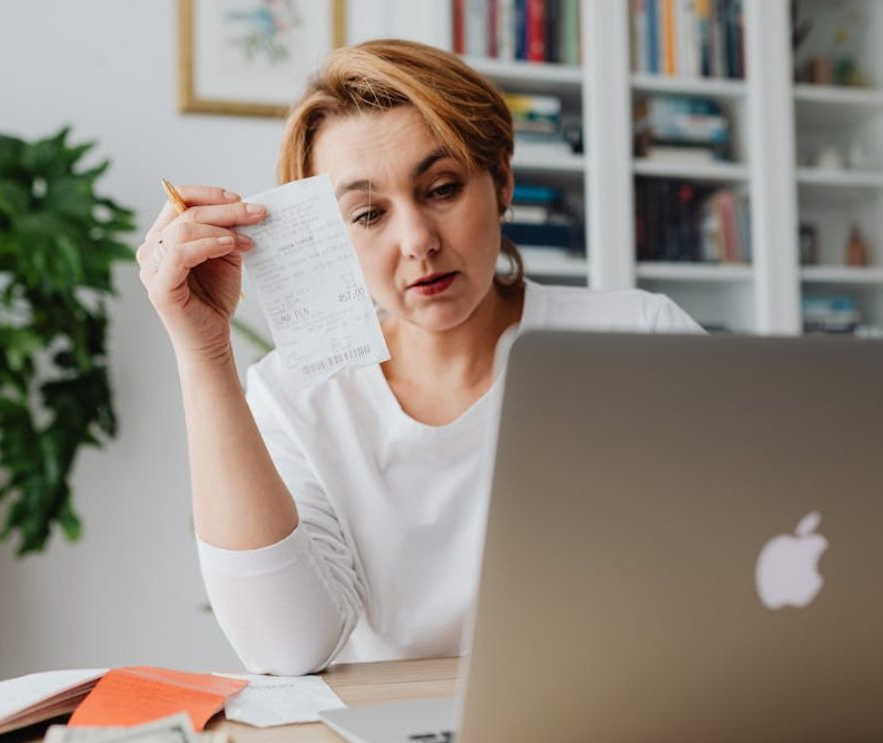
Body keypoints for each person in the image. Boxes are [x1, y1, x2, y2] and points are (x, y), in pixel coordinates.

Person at [136, 39, 704, 676]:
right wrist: (204, 352)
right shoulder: (297, 397)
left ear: (502, 181)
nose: (418, 242)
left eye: (441, 189)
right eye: (369, 213)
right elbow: (286, 648)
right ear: (328, 235)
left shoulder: (641, 338)